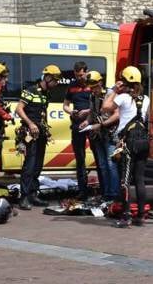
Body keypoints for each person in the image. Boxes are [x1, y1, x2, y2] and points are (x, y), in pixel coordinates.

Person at [98, 66, 150, 228]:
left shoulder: (124, 98)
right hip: (143, 141)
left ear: (125, 82)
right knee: (140, 179)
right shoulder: (146, 98)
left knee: (125, 180)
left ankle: (126, 216)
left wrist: (114, 90)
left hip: (128, 142)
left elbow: (105, 108)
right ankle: (140, 216)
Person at [15, 64, 62, 210]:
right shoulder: (31, 91)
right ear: (47, 77)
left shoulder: (45, 93)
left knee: (38, 165)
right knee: (29, 165)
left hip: (41, 134)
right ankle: (24, 197)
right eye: (55, 80)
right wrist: (30, 124)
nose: (56, 83)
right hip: (31, 133)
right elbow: (19, 109)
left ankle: (33, 195)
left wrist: (45, 130)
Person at [79, 71, 119, 204]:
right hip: (98, 135)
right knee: (102, 165)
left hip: (110, 134)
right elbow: (92, 112)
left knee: (111, 164)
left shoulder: (109, 95)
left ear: (100, 83)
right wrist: (87, 122)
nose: (93, 90)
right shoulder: (92, 96)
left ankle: (114, 195)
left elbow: (117, 115)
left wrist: (102, 124)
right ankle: (106, 194)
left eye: (94, 87)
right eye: (91, 87)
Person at [63, 62, 93, 202]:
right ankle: (83, 191)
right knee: (80, 159)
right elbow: (65, 105)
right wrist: (72, 112)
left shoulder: (92, 84)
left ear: (86, 72)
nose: (79, 78)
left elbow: (99, 104)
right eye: (76, 75)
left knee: (99, 156)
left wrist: (86, 112)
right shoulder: (72, 86)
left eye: (81, 75)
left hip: (92, 123)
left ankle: (105, 190)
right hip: (77, 125)